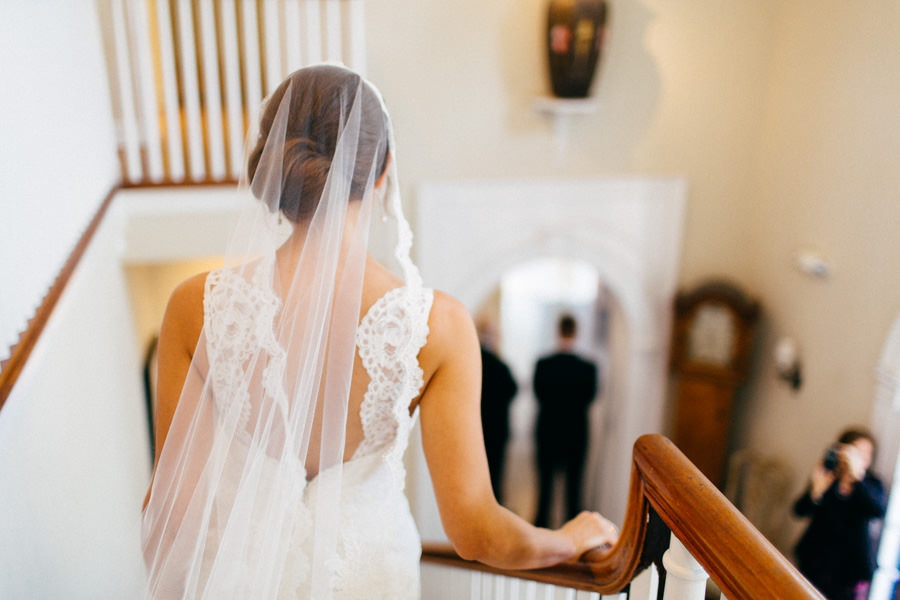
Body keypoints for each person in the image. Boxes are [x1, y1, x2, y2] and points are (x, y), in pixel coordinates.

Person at [141, 65, 617, 599]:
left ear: (277, 168)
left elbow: (170, 514)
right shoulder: (439, 327)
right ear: (384, 169)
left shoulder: (194, 307)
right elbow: (476, 531)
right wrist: (565, 539)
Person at [793, 427, 887, 600]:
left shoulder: (872, 483)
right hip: (814, 560)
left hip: (849, 569)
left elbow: (877, 511)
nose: (864, 457)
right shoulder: (827, 476)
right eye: (858, 451)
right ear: (842, 450)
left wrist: (857, 478)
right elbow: (799, 511)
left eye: (868, 453)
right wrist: (815, 492)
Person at [532, 314, 599, 528]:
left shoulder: (543, 364)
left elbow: (538, 393)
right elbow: (590, 397)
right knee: (574, 493)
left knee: (544, 493)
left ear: (558, 330)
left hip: (547, 432)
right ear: (575, 332)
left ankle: (541, 539)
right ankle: (574, 545)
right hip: (576, 435)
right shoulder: (588, 368)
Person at [478, 324, 518, 504]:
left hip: (480, 428)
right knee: (494, 477)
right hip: (495, 430)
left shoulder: (473, 363)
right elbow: (513, 390)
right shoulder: (499, 365)